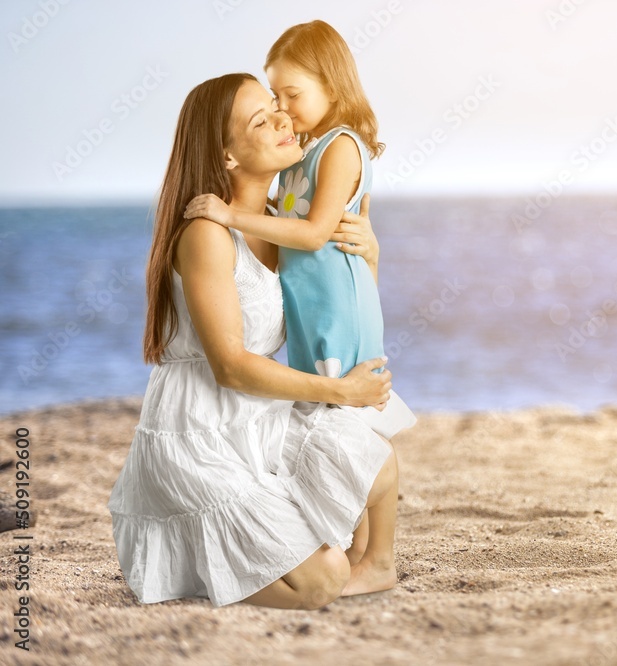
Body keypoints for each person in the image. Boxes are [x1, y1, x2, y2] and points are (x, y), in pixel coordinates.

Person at [107, 72, 400, 610]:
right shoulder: (206, 233)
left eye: (277, 108)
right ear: (227, 157)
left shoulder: (279, 224)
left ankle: (333, 548)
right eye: (261, 120)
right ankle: (199, 555)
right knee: (320, 580)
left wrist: (369, 257)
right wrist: (339, 392)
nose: (283, 119)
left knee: (377, 457)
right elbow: (232, 368)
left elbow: (334, 308)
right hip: (198, 433)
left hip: (262, 418)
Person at [184, 20, 416, 441]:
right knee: (328, 425)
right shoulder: (299, 159)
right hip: (310, 316)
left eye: (293, 96)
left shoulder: (339, 146)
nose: (283, 110)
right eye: (276, 98)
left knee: (355, 430)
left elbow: (315, 237)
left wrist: (231, 217)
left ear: (332, 86)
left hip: (332, 314)